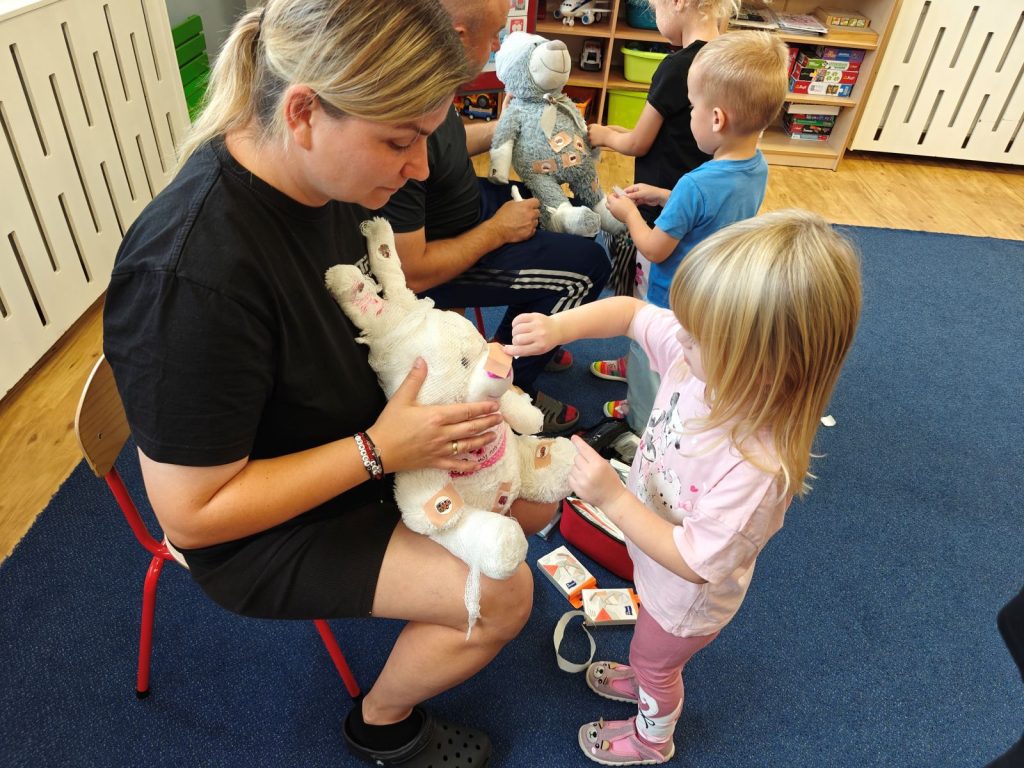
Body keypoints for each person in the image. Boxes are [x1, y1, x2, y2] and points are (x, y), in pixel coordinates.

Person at [103, 2, 558, 765]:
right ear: (304, 112)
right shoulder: (191, 278)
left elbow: (375, 313)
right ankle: (382, 724)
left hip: (353, 435)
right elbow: (194, 518)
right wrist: (381, 450)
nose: (420, 168)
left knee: (536, 495)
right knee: (503, 595)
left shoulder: (328, 183)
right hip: (259, 526)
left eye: (427, 138)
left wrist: (446, 368)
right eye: (400, 142)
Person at [507, 209, 863, 764]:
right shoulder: (701, 359)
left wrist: (611, 497)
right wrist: (559, 328)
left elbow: (695, 563)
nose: (680, 337)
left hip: (686, 599)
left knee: (656, 663)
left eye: (697, 337)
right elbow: (631, 314)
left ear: (764, 365)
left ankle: (653, 738)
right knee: (649, 649)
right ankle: (645, 675)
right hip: (656, 561)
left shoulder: (756, 467)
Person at [379, 0, 612, 435]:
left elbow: (447, 147)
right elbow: (412, 272)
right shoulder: (401, 123)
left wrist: (512, 129)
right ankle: (503, 387)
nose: (496, 47)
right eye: (494, 35)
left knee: (558, 215)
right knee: (588, 267)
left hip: (471, 211)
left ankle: (529, 328)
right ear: (459, 36)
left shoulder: (429, 82)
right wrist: (498, 230)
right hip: (447, 254)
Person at [597, 30, 789, 434]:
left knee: (655, 355)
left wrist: (629, 213)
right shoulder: (756, 167)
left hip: (671, 297)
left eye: (692, 108)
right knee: (686, 361)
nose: (689, 117)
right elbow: (712, 210)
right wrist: (663, 196)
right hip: (711, 294)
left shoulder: (694, 183)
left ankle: (641, 422)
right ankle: (662, 396)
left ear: (717, 119)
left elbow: (654, 249)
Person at [587, 0, 738, 418]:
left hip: (663, 220)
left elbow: (638, 142)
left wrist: (601, 134)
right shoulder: (730, 61)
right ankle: (641, 365)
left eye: (654, 5)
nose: (654, 14)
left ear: (679, 3)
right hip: (698, 218)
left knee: (649, 311)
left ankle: (643, 403)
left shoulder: (677, 67)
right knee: (682, 313)